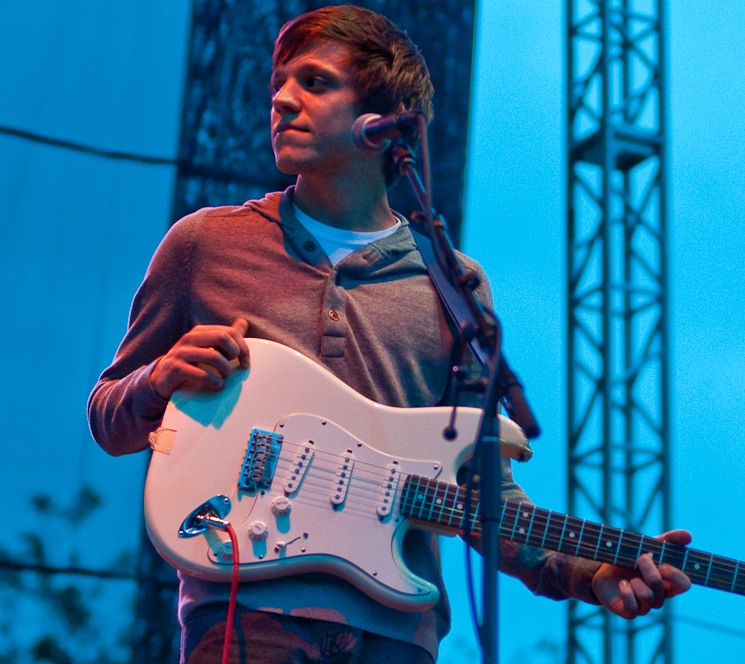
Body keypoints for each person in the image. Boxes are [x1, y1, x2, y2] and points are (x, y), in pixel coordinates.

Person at [88, 5, 691, 663]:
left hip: (397, 634)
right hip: (245, 616)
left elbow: (483, 491)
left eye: (315, 83)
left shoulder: (455, 286)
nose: (284, 102)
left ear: (384, 121)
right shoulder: (205, 244)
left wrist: (587, 572)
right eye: (278, 86)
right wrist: (158, 380)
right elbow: (108, 415)